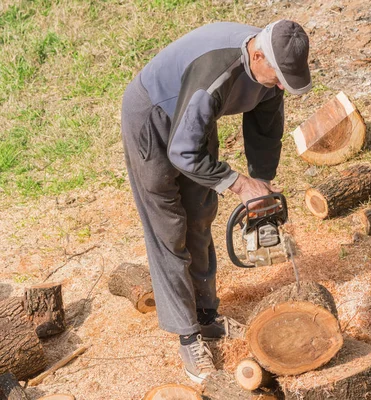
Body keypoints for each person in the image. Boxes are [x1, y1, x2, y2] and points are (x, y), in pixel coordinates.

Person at [120, 20, 311, 383]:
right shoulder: (217, 72)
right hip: (154, 120)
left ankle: (207, 316)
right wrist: (239, 186)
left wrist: (262, 183)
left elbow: (266, 128)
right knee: (169, 227)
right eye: (278, 78)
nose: (280, 86)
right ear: (257, 56)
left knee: (202, 211)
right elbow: (181, 151)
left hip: (193, 119)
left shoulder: (274, 60)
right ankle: (187, 334)